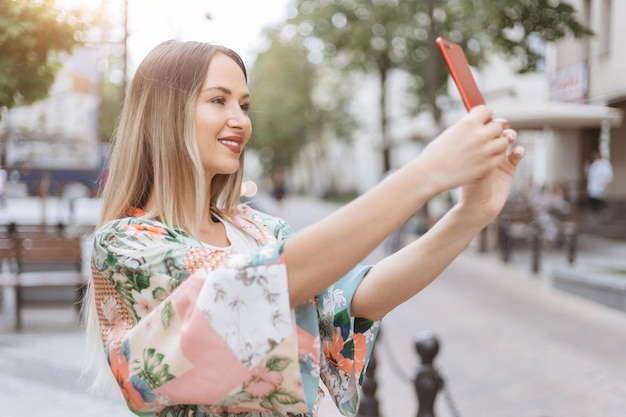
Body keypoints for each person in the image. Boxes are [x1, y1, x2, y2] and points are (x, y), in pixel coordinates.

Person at [83, 40, 524, 417]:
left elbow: (355, 299)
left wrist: (471, 213)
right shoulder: (126, 244)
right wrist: (426, 173)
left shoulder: (258, 228)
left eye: (244, 104)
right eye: (218, 100)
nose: (240, 119)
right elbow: (255, 286)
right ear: (165, 114)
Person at [586, 150, 613, 214]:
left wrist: (606, 185)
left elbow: (608, 175)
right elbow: (590, 176)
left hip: (600, 187)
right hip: (593, 187)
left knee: (600, 203)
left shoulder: (604, 164)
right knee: (593, 203)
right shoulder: (594, 164)